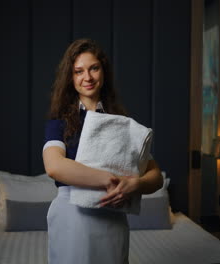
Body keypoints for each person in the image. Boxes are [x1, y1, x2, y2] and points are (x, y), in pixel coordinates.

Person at [42, 38, 163, 264]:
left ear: (103, 71)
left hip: (112, 219)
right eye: (78, 71)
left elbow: (155, 176)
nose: (87, 77)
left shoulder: (122, 124)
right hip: (72, 216)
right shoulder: (59, 124)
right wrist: (113, 182)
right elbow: (54, 167)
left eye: (93, 68)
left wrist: (135, 184)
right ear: (70, 77)